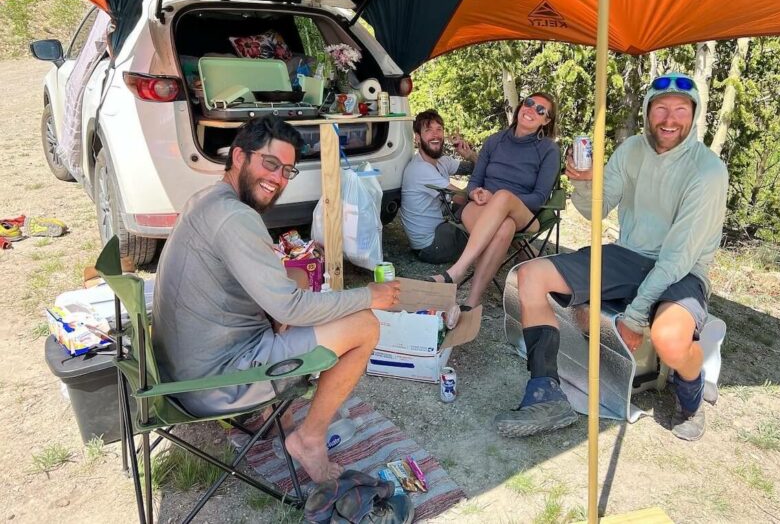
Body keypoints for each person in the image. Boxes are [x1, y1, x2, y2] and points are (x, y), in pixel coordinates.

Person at [151, 116, 401, 482]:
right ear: (239, 157)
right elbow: (291, 308)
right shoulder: (234, 217)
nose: (278, 179)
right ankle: (309, 439)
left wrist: (292, 298)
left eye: (287, 171)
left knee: (295, 278)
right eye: (270, 164)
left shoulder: (205, 200)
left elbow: (281, 293)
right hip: (210, 384)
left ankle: (278, 416)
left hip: (179, 367)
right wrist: (368, 295)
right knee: (364, 325)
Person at [495, 74, 729, 442]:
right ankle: (546, 393)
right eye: (661, 108)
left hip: (683, 270)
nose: (669, 119)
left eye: (680, 110)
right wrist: (583, 182)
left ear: (695, 114)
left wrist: (635, 317)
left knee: (669, 339)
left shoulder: (708, 171)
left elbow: (677, 257)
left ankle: (692, 394)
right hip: (628, 256)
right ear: (648, 111)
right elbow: (596, 210)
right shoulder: (632, 148)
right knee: (531, 275)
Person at [429, 93, 560, 320]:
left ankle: (457, 271)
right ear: (521, 106)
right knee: (504, 227)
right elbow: (474, 183)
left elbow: (539, 197)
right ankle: (471, 302)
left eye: (541, 110)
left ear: (546, 121)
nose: (532, 110)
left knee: (503, 197)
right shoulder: (494, 141)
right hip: (480, 209)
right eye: (529, 103)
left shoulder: (549, 149)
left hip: (525, 214)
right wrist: (475, 193)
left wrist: (498, 199)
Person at [400, 109, 477, 265]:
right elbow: (463, 198)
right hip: (431, 247)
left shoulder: (442, 161)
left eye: (439, 129)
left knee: (483, 205)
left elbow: (477, 167)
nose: (435, 135)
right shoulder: (420, 169)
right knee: (481, 209)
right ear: (417, 137)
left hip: (441, 230)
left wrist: (470, 155)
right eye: (428, 130)